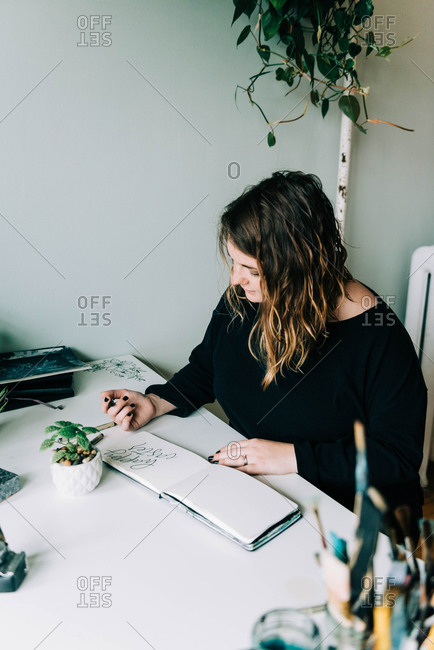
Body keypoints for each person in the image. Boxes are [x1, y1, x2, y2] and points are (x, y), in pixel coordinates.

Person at [100, 170, 426, 540]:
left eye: (251, 269)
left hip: (348, 518)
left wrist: (291, 457)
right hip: (260, 495)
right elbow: (210, 365)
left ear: (298, 268)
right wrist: (157, 401)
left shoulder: (378, 336)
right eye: (234, 262)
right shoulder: (246, 297)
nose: (235, 280)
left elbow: (396, 459)